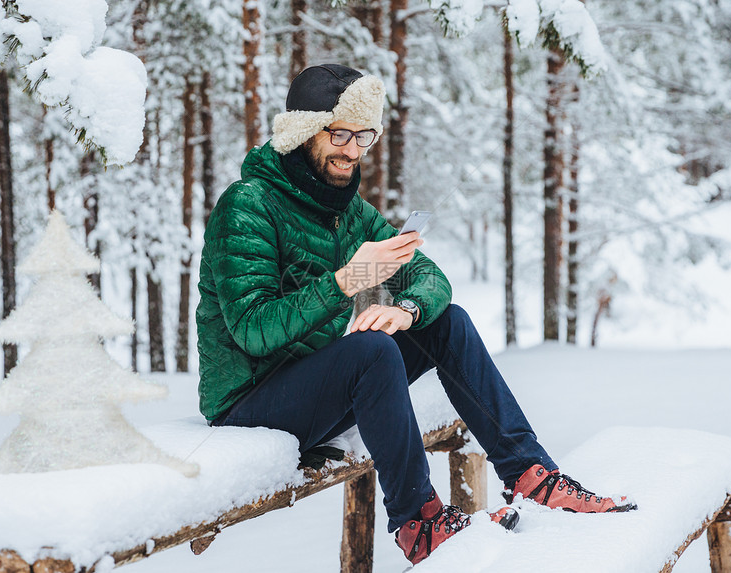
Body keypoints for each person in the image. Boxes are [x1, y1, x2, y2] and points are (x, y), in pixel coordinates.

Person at [196, 63, 636, 565]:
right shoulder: (247, 205)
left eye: (364, 135)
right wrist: (349, 280)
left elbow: (434, 281)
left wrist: (406, 309)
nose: (352, 150)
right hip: (248, 405)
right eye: (339, 133)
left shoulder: (350, 213)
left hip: (317, 387)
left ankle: (531, 475)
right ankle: (417, 522)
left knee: (448, 323)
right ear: (302, 131)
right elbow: (254, 329)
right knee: (371, 350)